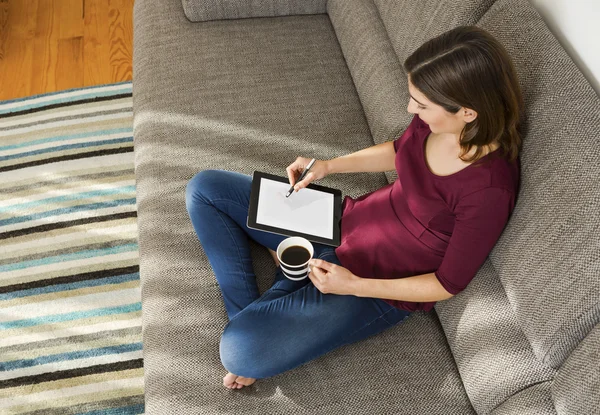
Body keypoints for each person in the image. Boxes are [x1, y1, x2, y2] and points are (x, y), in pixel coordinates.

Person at [185, 25, 523, 390]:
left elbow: (446, 283)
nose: (411, 108)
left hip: (374, 284)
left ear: (468, 112)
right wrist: (329, 165)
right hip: (341, 221)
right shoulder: (438, 124)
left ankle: (276, 294)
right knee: (205, 188)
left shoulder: (489, 191)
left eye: (421, 105)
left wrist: (354, 286)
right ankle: (254, 309)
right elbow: (400, 150)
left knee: (239, 351)